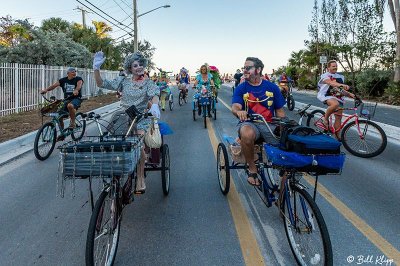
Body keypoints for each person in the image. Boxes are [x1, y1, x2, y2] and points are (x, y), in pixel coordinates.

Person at [93, 51, 161, 195]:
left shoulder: (148, 82)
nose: (139, 67)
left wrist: (154, 105)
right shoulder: (123, 81)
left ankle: (141, 178)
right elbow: (101, 83)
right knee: (113, 145)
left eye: (141, 64)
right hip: (123, 117)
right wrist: (96, 69)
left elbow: (155, 94)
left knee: (139, 146)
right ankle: (114, 173)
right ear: (130, 68)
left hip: (141, 117)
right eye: (135, 65)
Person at [232, 57, 286, 186]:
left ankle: (283, 196)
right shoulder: (241, 87)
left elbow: (280, 111)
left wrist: (283, 127)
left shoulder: (272, 87)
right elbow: (235, 106)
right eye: (244, 67)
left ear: (258, 69)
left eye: (247, 68)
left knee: (288, 153)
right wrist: (239, 112)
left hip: (269, 125)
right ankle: (252, 168)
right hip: (250, 123)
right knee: (246, 132)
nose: (244, 70)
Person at [40, 67, 83, 137]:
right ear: (68, 73)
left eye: (75, 71)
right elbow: (54, 86)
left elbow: (79, 85)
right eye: (72, 72)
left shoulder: (78, 79)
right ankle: (62, 132)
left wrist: (76, 90)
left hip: (76, 98)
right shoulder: (63, 80)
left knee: (70, 106)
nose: (74, 73)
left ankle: (73, 123)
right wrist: (46, 90)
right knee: (58, 114)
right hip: (67, 99)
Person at [317, 60, 355, 138]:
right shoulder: (325, 75)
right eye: (333, 66)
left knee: (338, 117)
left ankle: (337, 137)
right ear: (328, 68)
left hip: (338, 97)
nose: (335, 67)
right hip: (326, 95)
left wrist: (350, 94)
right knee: (335, 104)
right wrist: (342, 85)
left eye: (336, 66)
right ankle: (325, 119)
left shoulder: (340, 77)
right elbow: (331, 83)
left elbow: (340, 90)